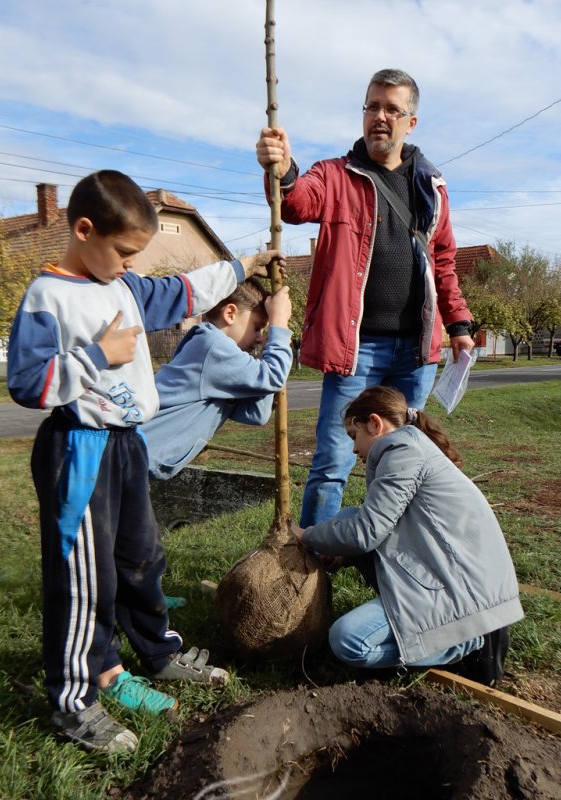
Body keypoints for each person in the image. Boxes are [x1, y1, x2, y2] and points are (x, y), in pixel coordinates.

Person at [7, 169, 282, 754]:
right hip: (80, 449)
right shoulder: (48, 296)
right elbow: (27, 382)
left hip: (127, 444)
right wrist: (97, 356)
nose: (132, 264)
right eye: (124, 251)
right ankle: (75, 699)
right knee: (86, 579)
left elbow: (182, 291)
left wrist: (242, 267)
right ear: (84, 230)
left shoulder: (123, 285)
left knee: (141, 559)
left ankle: (156, 655)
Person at [256, 68, 475, 528]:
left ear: (410, 122)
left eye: (392, 109)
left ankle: (392, 556)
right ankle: (312, 561)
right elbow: (297, 202)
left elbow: (443, 260)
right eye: (372, 106)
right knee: (333, 463)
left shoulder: (431, 187)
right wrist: (283, 168)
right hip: (354, 351)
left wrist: (458, 324)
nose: (380, 116)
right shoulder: (335, 175)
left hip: (416, 353)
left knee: (404, 464)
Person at [293, 386, 523, 685]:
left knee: (347, 640)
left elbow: (366, 532)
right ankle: (427, 630)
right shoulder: (407, 448)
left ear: (374, 423)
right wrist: (343, 551)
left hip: (465, 597)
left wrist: (306, 535)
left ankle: (464, 644)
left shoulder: (402, 452)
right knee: (348, 515)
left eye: (354, 435)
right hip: (446, 573)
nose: (354, 449)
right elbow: (373, 525)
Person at [143, 277, 292, 480]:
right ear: (230, 314)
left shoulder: (216, 353)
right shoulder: (213, 346)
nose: (260, 338)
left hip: (135, 460)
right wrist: (279, 325)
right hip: (127, 457)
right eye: (257, 327)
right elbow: (273, 377)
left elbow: (255, 414)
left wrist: (269, 352)